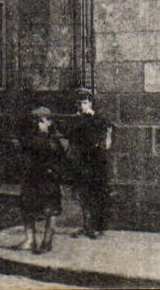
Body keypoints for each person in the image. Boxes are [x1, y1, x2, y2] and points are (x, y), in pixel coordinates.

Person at [65, 88, 114, 238]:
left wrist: (104, 144)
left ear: (90, 103)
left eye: (85, 102)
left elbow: (107, 137)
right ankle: (86, 226)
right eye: (79, 103)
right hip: (81, 161)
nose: (82, 106)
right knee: (82, 193)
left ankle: (97, 227)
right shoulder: (74, 120)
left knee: (97, 193)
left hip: (96, 161)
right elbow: (71, 140)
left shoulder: (99, 119)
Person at [19, 106, 67, 253]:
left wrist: (54, 172)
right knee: (27, 207)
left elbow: (60, 161)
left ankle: (47, 240)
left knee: (49, 210)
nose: (37, 125)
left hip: (48, 180)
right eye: (35, 122)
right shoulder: (29, 139)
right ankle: (30, 240)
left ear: (49, 122)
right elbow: (25, 157)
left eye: (41, 121)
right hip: (31, 178)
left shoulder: (54, 141)